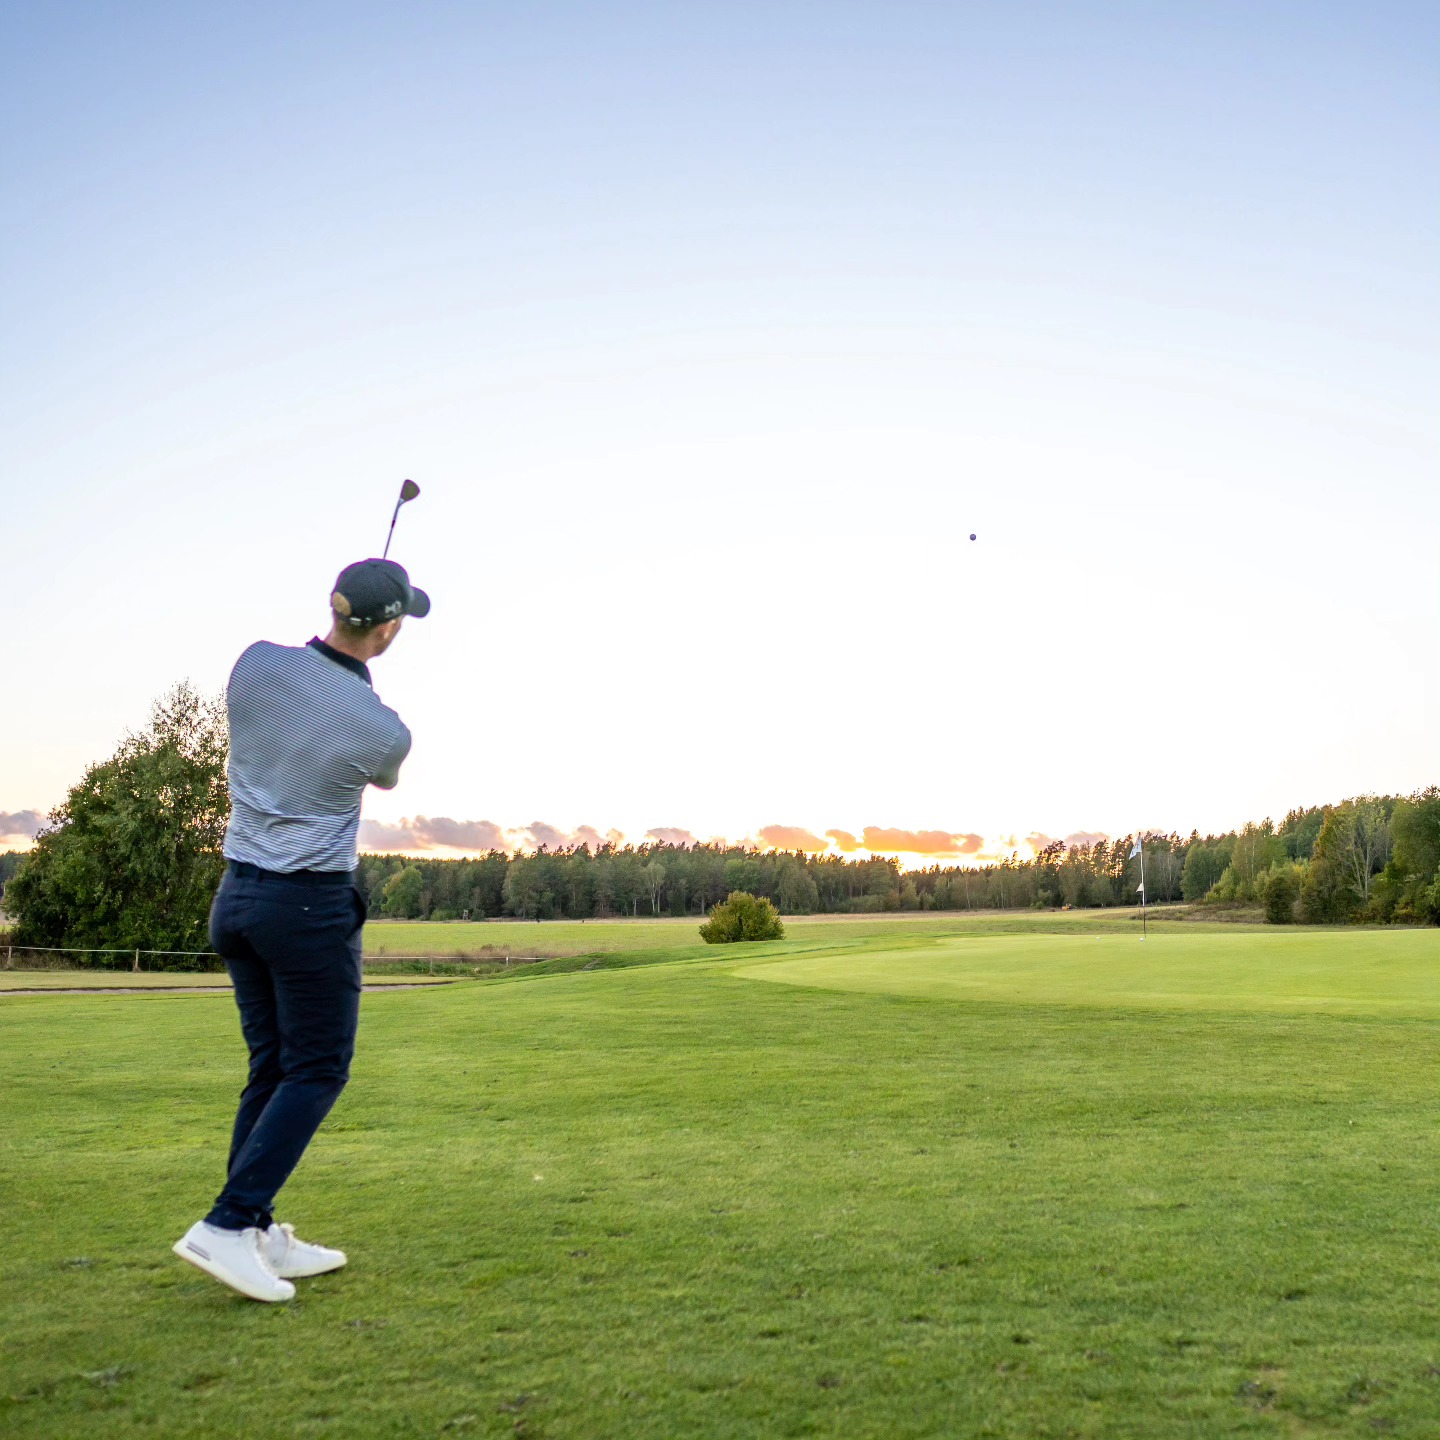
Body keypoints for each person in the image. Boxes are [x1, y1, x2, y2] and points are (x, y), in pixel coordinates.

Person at [173, 558, 429, 1302]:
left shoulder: (252, 666)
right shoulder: (383, 729)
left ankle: (254, 1231)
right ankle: (227, 1224)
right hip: (308, 909)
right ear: (386, 629)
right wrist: (360, 680)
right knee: (316, 1070)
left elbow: (306, 688)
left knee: (272, 1069)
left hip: (237, 901)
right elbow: (379, 774)